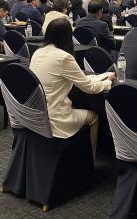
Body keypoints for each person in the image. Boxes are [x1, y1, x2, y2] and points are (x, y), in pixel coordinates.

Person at [31, 18, 114, 157]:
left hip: (38, 115)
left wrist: (95, 78)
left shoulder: (38, 52)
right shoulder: (64, 57)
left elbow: (77, 79)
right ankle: (90, 162)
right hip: (56, 118)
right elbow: (89, 88)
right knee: (94, 117)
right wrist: (107, 82)